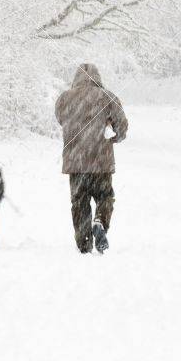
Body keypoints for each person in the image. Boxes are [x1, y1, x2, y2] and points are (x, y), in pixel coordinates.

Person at [54, 63, 129, 254]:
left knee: (79, 202)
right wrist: (117, 136)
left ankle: (84, 243)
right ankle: (100, 221)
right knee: (105, 197)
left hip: (75, 161)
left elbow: (60, 118)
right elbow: (121, 123)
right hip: (100, 161)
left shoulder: (64, 98)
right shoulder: (107, 96)